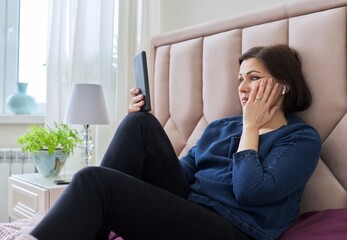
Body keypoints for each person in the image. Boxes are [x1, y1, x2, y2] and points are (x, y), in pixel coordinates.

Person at [22, 44, 321, 240]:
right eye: (240, 79)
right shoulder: (220, 128)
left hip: (231, 229)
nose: (242, 88)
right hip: (187, 209)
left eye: (253, 78)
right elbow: (183, 173)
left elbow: (249, 191)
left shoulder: (299, 139)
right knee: (138, 123)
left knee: (93, 180)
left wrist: (252, 127)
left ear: (282, 86)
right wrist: (134, 135)